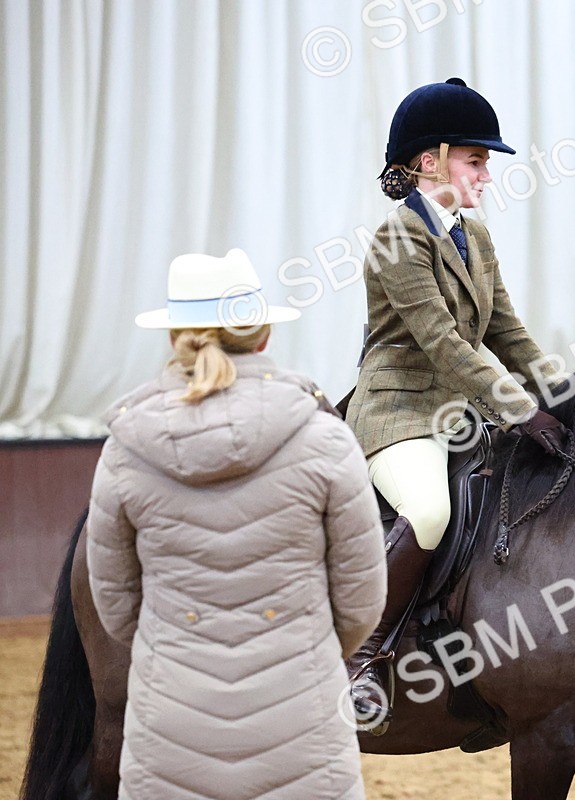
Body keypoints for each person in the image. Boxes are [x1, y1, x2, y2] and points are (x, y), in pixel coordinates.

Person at [86, 249, 386, 799]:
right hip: (303, 723)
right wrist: (305, 646)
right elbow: (362, 602)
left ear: (176, 337)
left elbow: (116, 608)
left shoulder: (125, 448)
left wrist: (178, 640)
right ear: (263, 334)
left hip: (170, 727)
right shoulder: (325, 438)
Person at [343, 77, 567, 731]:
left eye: (486, 162)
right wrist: (521, 409)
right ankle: (361, 657)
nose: (486, 174)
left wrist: (566, 394)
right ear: (428, 161)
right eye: (475, 159)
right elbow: (444, 344)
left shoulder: (478, 238)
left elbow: (507, 333)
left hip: (463, 412)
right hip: (399, 411)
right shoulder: (395, 241)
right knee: (432, 510)